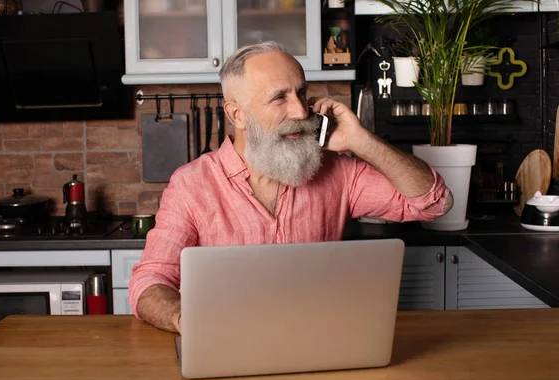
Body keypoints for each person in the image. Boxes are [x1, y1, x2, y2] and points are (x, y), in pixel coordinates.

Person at [129, 41, 453, 333]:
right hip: (229, 343)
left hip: (317, 341)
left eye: (301, 93)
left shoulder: (337, 173)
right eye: (279, 98)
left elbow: (432, 201)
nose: (300, 111)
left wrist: (360, 140)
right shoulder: (191, 185)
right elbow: (150, 281)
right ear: (237, 114)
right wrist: (187, 320)